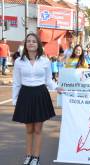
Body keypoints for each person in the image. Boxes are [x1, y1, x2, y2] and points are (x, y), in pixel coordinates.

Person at [12, 33, 63, 165]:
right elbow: (16, 82)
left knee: (38, 129)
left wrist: (57, 88)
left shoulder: (45, 61)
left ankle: (36, 158)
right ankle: (28, 156)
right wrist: (14, 100)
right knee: (29, 129)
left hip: (40, 94)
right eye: (28, 41)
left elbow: (48, 80)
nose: (31, 43)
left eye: (33, 41)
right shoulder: (19, 62)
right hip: (25, 95)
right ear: (25, 44)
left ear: (38, 44)